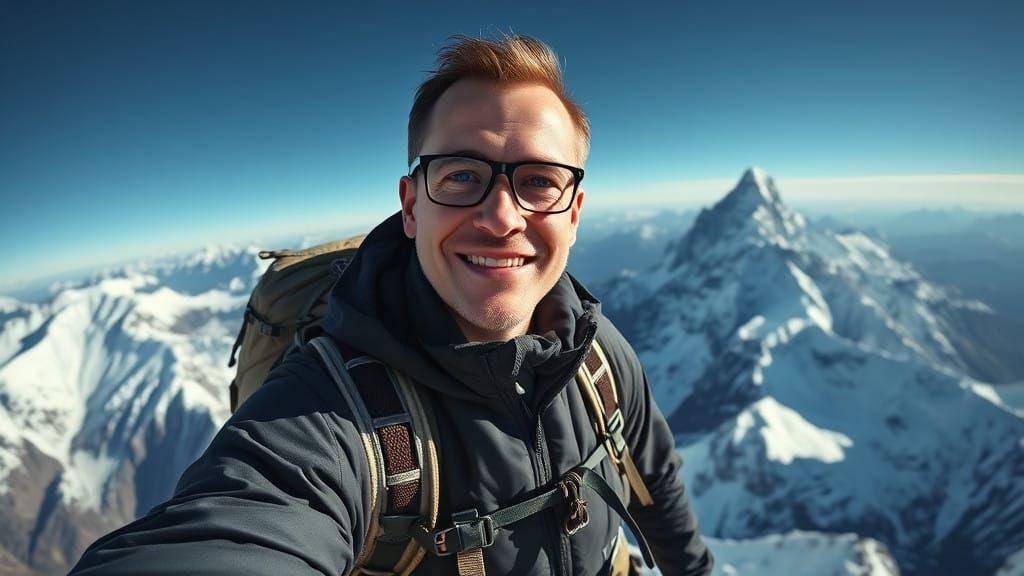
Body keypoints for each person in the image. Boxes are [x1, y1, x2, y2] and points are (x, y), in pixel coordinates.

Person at [69, 34, 713, 575]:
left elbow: (656, 484)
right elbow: (237, 526)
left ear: (573, 213)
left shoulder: (600, 359)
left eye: (539, 182)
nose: (500, 216)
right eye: (461, 175)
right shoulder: (327, 416)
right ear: (411, 205)